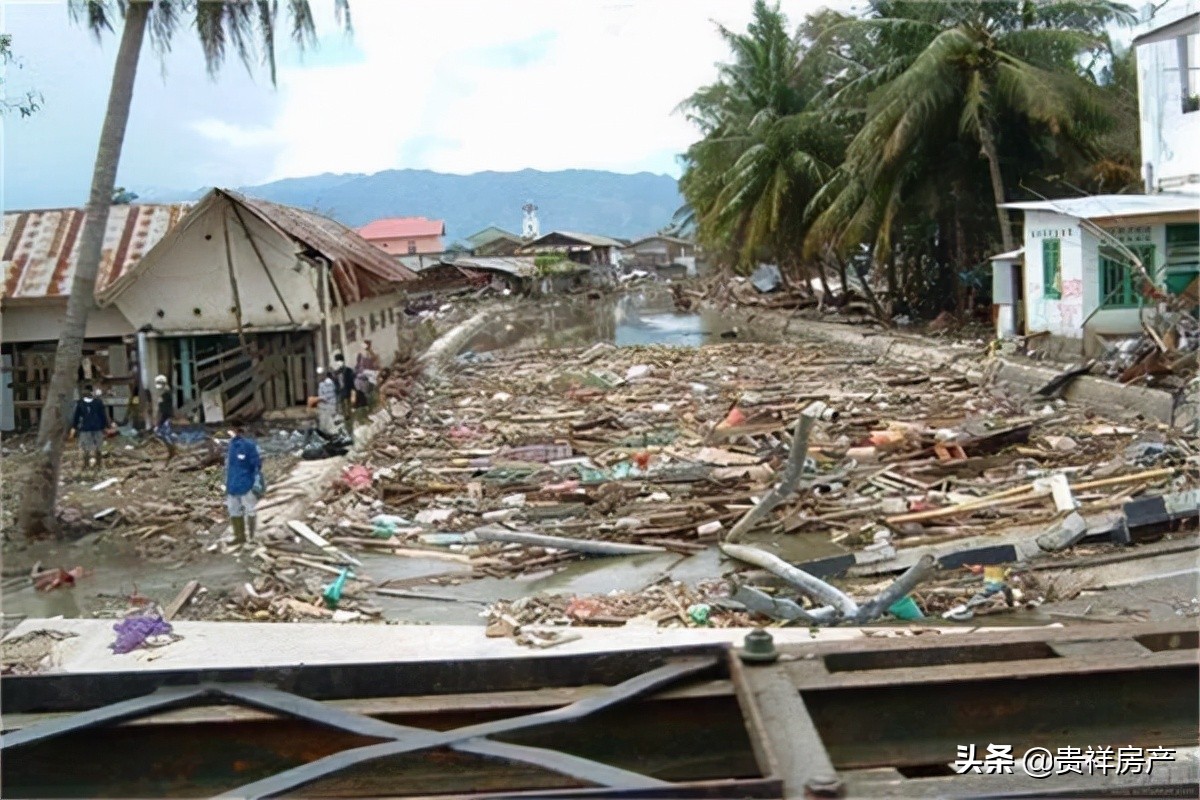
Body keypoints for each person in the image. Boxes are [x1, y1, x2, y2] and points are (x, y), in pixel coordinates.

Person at [224, 422, 262, 547]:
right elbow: (228, 466)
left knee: (250, 510)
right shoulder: (231, 446)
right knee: (234, 510)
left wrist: (255, 481)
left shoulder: (248, 446)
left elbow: (256, 465)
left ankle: (252, 537)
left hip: (246, 483)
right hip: (233, 483)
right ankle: (239, 537)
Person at [69, 384, 114, 473]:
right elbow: (76, 418)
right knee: (89, 448)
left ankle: (95, 465)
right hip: (89, 428)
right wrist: (74, 428)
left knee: (95, 448)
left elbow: (103, 416)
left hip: (91, 428)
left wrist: (106, 427)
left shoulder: (92, 403)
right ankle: (90, 465)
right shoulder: (86, 403)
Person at [153, 374, 177, 463]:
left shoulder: (165, 394)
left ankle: (172, 451)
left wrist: (157, 421)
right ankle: (172, 451)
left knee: (163, 433)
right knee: (164, 434)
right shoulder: (166, 393)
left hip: (165, 417)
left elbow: (162, 410)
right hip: (166, 417)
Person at [310, 366, 339, 436]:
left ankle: (325, 433)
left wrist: (322, 399)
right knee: (329, 422)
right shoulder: (334, 385)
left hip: (325, 406)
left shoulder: (323, 384)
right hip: (331, 406)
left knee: (324, 422)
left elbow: (322, 396)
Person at [332, 353, 356, 421]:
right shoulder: (336, 372)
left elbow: (351, 381)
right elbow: (336, 382)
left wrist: (352, 390)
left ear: (342, 361)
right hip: (341, 391)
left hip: (348, 390)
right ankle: (346, 417)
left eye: (340, 361)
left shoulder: (348, 370)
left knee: (348, 404)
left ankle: (349, 417)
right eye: (337, 361)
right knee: (342, 405)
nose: (338, 363)